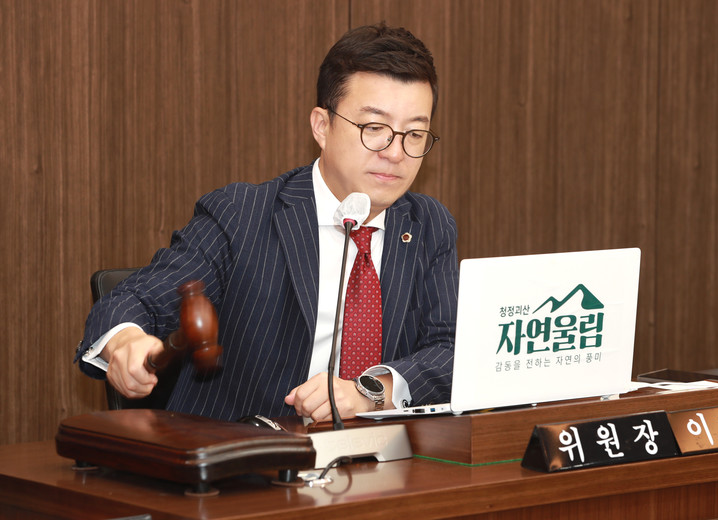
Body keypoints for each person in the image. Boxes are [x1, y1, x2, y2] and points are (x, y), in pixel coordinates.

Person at [75, 22, 458, 423]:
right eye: (374, 128)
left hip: (374, 455)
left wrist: (371, 392)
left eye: (415, 134)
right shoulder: (241, 215)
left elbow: (451, 348)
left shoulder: (429, 225)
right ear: (322, 126)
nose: (396, 153)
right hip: (240, 450)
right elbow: (135, 301)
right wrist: (125, 340)